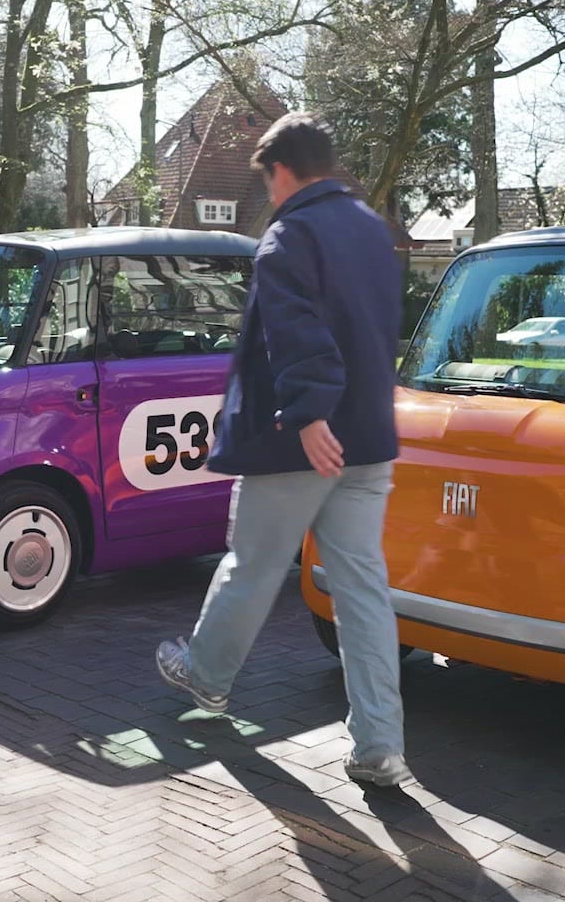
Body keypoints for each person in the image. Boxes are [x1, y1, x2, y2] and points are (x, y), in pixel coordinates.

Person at [153, 112, 411, 788]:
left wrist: (306, 413)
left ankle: (206, 677)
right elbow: (381, 330)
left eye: (267, 176)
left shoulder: (288, 236)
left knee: (252, 565)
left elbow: (297, 333)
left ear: (284, 171)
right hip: (369, 441)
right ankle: (380, 745)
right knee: (362, 591)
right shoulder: (373, 233)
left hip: (304, 441)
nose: (268, 190)